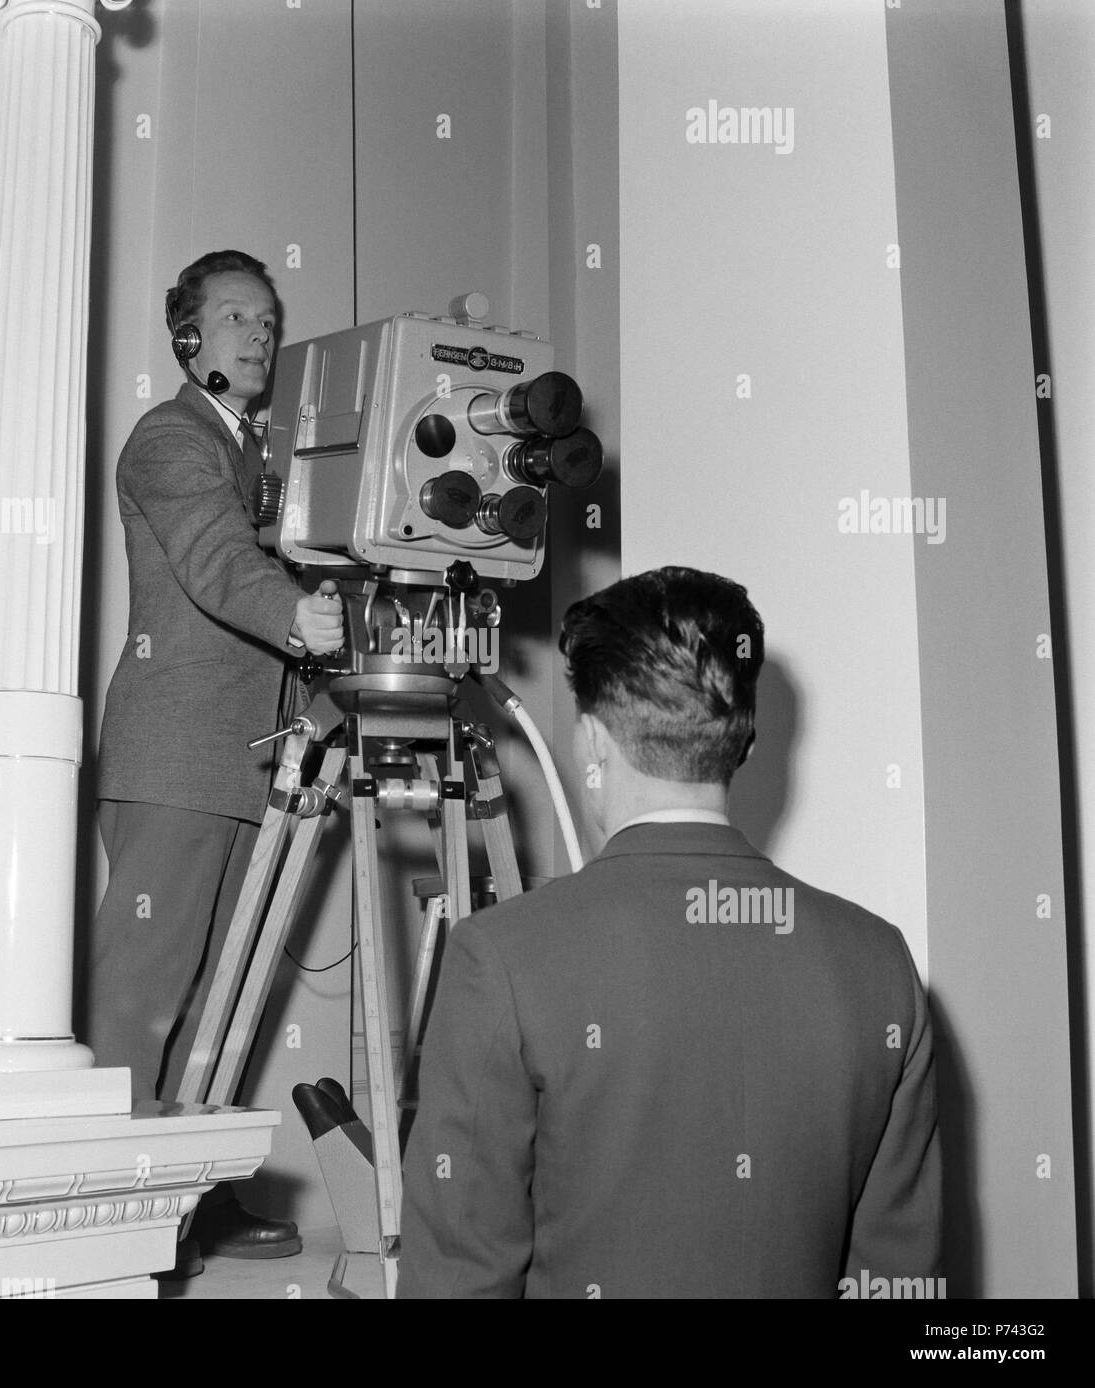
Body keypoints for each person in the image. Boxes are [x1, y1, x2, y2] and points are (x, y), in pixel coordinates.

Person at [396, 566, 942, 1297]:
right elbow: (900, 1282)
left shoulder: (501, 959)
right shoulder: (878, 961)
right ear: (742, 743)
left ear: (590, 743)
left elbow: (458, 1281)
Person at [88, 250, 344, 1270]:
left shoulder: (269, 454)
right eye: (235, 315)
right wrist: (299, 613)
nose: (258, 332)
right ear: (186, 335)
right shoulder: (169, 439)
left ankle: (192, 1198)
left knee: (221, 1000)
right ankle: (111, 1221)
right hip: (176, 760)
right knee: (144, 997)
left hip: (257, 767)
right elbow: (215, 557)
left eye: (268, 318)